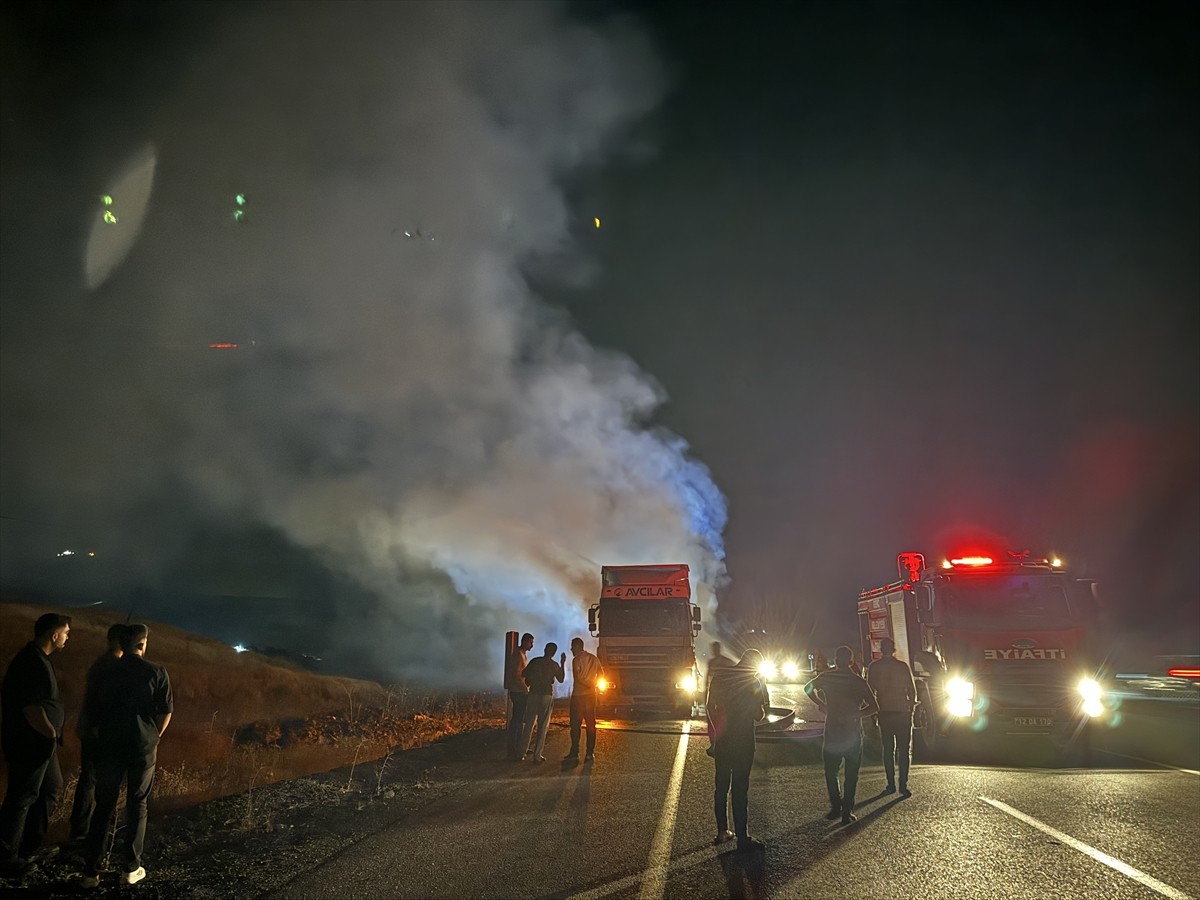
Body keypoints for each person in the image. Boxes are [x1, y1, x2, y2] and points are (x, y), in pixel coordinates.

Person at [80, 624, 173, 889]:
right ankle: (131, 868)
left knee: (104, 805)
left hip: (109, 745)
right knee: (137, 804)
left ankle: (90, 871)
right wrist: (155, 735)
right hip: (142, 746)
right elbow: (166, 710)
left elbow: (92, 710)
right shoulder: (156, 671)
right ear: (142, 644)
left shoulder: (105, 671)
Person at [0, 612, 71, 880]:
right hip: (30, 743)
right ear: (54, 635)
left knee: (50, 789)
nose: (67, 638)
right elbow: (31, 707)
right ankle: (6, 859)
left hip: (41, 743)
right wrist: (50, 732)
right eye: (65, 633)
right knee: (22, 796)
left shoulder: (39, 660)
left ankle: (28, 848)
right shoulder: (31, 662)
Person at [804, 645, 878, 825]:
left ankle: (835, 806)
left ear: (836, 660)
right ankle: (847, 811)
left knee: (831, 770)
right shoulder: (858, 681)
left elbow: (807, 688)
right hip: (852, 731)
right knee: (851, 773)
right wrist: (857, 714)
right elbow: (874, 706)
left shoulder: (827, 677)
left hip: (832, 729)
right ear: (851, 661)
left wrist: (823, 705)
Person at [68, 624, 127, 845]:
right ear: (114, 641)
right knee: (93, 779)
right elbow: (101, 703)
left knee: (89, 778)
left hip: (92, 729)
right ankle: (85, 830)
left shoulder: (102, 664)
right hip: (99, 732)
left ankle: (82, 828)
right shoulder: (111, 666)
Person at [707, 648, 769, 852]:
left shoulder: (721, 676)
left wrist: (715, 735)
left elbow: (709, 707)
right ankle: (743, 837)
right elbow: (759, 715)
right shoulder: (753, 682)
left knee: (721, 786)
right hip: (743, 741)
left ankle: (722, 831)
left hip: (723, 740)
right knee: (740, 789)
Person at [867, 637, 917, 797]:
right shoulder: (902, 667)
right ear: (893, 649)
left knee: (888, 750)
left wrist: (873, 714)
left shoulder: (874, 667)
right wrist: (910, 710)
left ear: (881, 650)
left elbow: (870, 693)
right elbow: (911, 690)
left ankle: (890, 785)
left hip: (885, 712)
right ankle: (903, 785)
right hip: (902, 712)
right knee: (904, 750)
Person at [518, 643, 564, 763]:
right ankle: (537, 756)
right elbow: (561, 679)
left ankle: (522, 752)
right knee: (542, 726)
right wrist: (563, 663)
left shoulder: (535, 661)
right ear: (554, 653)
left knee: (528, 724)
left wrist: (532, 680)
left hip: (533, 694)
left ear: (544, 650)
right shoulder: (554, 665)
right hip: (546, 696)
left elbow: (524, 674)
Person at [564, 637, 603, 764]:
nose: (571, 649)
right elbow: (601, 673)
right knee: (591, 724)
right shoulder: (594, 658)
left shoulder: (576, 660)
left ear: (577, 647)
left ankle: (574, 753)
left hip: (579, 696)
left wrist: (587, 685)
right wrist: (594, 684)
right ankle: (589, 753)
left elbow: (577, 677)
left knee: (575, 725)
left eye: (572, 646)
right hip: (591, 696)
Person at [505, 633, 535, 761]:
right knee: (517, 720)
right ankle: (513, 751)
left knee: (519, 719)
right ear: (525, 642)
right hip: (518, 692)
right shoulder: (518, 655)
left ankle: (518, 748)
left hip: (519, 691)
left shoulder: (522, 654)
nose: (532, 645)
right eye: (530, 642)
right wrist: (525, 689)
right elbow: (517, 675)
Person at [705, 641, 737, 756]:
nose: (714, 652)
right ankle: (713, 744)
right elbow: (707, 678)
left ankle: (721, 744)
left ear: (719, 649)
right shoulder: (711, 663)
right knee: (711, 722)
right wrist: (705, 692)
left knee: (721, 721)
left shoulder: (726, 662)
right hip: (713, 694)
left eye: (715, 649)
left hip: (723, 696)